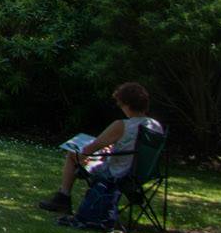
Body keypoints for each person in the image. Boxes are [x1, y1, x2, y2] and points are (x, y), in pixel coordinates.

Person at [38, 82, 163, 214]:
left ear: (126, 104)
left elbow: (90, 149)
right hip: (141, 174)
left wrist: (90, 154)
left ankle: (63, 198)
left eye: (120, 103)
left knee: (72, 154)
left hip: (117, 173)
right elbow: (133, 148)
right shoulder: (156, 126)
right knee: (96, 154)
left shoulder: (121, 125)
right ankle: (132, 193)